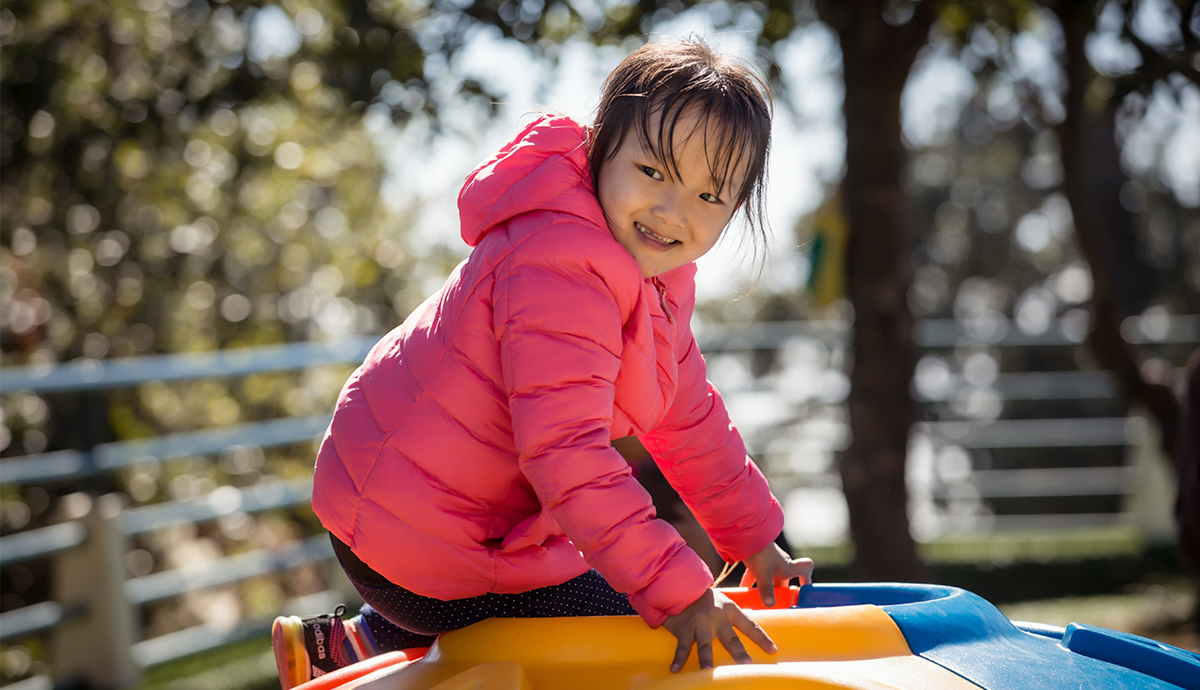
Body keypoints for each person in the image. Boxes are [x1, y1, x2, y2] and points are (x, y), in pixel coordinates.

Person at [272, 37, 813, 689]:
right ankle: (389, 625)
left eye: (709, 196)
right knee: (626, 626)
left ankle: (351, 644)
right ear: (600, 147)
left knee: (555, 581)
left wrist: (755, 539)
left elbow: (691, 422)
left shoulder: (652, 283)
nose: (674, 211)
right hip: (416, 534)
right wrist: (683, 593)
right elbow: (567, 455)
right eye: (654, 172)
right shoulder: (563, 266)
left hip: (408, 516)